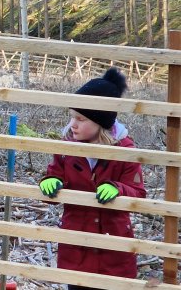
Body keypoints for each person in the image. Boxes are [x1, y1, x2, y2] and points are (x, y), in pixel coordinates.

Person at [39, 68, 145, 290]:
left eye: (81, 118)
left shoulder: (125, 150)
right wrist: (48, 183)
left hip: (114, 250)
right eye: (71, 117)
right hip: (77, 248)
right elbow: (55, 177)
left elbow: (138, 193)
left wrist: (118, 189)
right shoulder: (66, 149)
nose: (73, 124)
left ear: (101, 121)